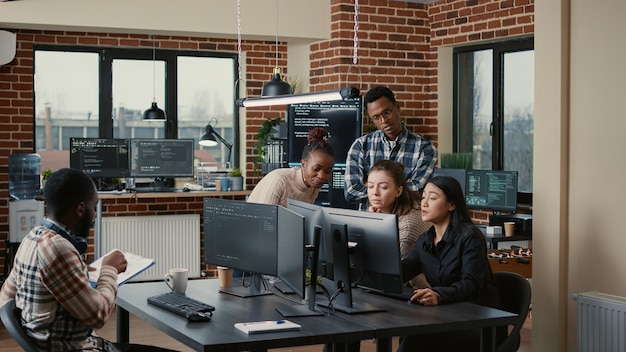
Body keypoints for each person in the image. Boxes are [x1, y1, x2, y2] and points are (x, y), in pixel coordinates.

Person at [0, 168, 175, 352]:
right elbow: (97, 315)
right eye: (94, 207)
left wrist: (74, 272)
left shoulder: (32, 238)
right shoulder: (58, 249)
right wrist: (109, 269)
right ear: (81, 209)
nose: (94, 215)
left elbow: (6, 296)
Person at [398, 175, 505, 352]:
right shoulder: (425, 240)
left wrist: (439, 294)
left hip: (480, 322)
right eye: (423, 197)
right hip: (448, 315)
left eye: (432, 198)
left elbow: (472, 284)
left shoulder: (470, 237)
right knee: (410, 330)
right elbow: (403, 270)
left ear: (452, 205)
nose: (424, 204)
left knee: (415, 337)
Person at [344, 85, 437, 209]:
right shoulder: (361, 146)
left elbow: (419, 190)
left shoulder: (425, 149)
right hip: (369, 222)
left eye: (387, 112)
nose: (384, 120)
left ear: (397, 108)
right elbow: (351, 192)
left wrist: (371, 188)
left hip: (407, 222)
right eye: (376, 117)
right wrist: (399, 188)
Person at [366, 160, 431, 289]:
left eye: (383, 187)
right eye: (370, 186)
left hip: (419, 292)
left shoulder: (407, 226)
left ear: (398, 191)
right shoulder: (382, 209)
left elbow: (387, 271)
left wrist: (373, 224)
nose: (375, 193)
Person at [248, 127, 335, 207]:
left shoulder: (313, 186)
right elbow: (265, 220)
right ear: (303, 164)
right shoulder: (280, 180)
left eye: (327, 171)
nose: (322, 176)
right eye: (316, 169)